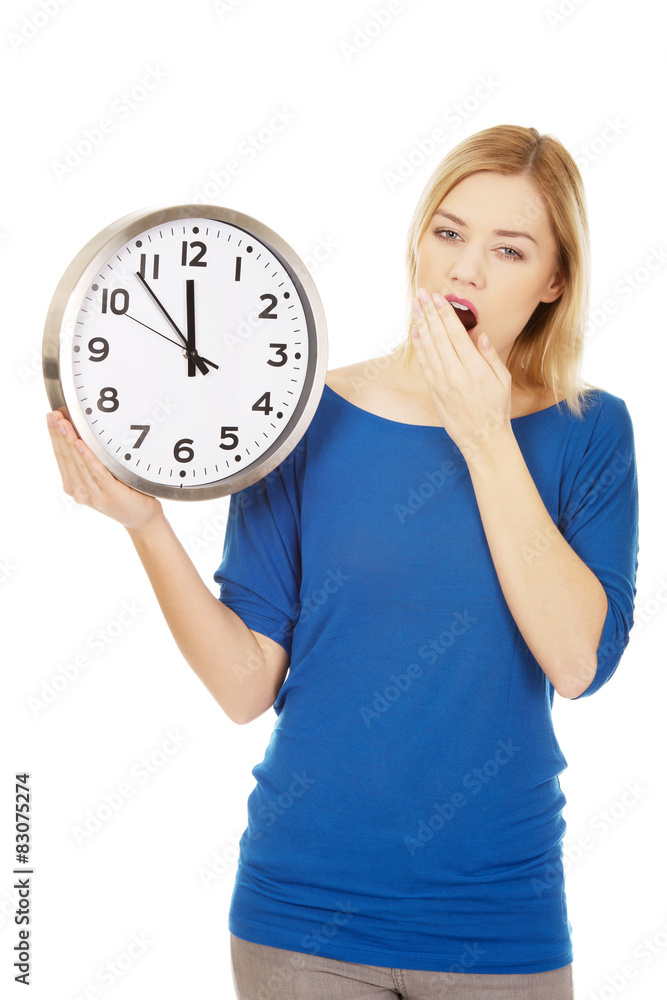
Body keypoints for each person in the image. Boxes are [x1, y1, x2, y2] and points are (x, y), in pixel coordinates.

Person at [46, 124, 639, 1000]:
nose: (464, 270)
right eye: (447, 233)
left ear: (553, 281)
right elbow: (246, 684)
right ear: (417, 243)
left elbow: (576, 660)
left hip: (498, 917)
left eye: (506, 249)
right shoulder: (304, 414)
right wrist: (146, 525)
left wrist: (481, 430)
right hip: (300, 918)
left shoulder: (590, 433)